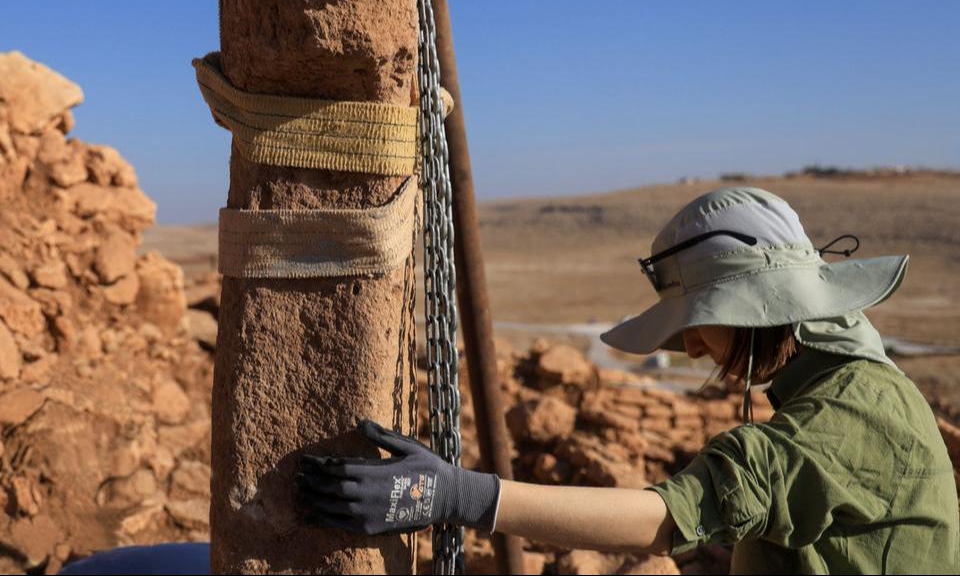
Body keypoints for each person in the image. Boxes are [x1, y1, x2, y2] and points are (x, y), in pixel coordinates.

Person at [296, 187, 960, 573]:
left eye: (701, 319)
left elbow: (667, 517)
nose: (693, 344)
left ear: (764, 307)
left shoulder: (842, 416)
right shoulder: (844, 385)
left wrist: (461, 495)